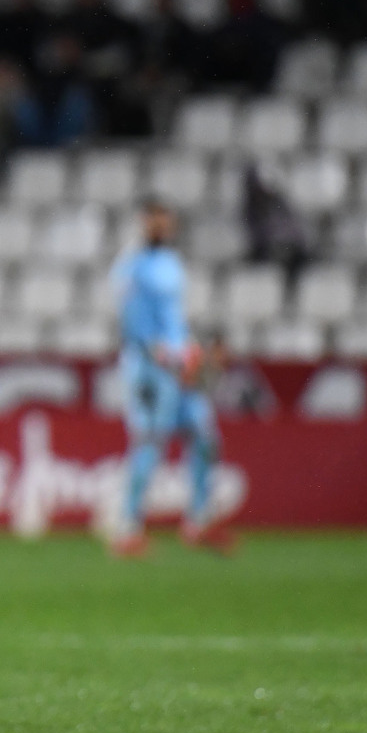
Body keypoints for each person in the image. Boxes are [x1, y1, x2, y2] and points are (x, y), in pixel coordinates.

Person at [108, 202, 231, 557]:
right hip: (150, 366)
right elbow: (131, 320)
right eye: (155, 222)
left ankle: (199, 521)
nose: (162, 227)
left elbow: (175, 318)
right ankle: (128, 527)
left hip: (180, 367)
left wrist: (193, 350)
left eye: (166, 222)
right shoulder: (131, 265)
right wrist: (157, 354)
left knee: (205, 436)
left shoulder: (173, 263)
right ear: (144, 224)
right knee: (149, 441)